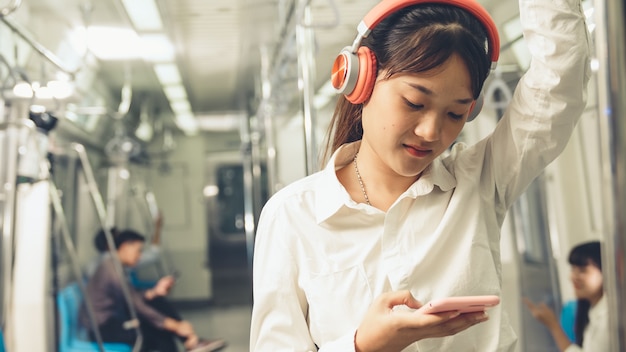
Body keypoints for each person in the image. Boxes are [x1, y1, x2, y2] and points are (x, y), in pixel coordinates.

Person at [249, 0, 591, 350]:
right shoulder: (293, 216)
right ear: (360, 81)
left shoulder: (479, 180)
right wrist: (362, 345)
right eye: (414, 102)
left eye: (455, 114)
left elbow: (559, 82)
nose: (431, 131)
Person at [80, 229, 226, 352]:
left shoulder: (114, 265)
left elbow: (132, 297)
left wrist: (154, 292)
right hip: (103, 328)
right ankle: (190, 340)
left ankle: (191, 342)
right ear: (125, 247)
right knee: (156, 332)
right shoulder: (112, 270)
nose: (140, 256)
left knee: (157, 302)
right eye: (138, 251)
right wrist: (174, 326)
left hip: (115, 319)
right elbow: (136, 305)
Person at [524, 241, 609, 352]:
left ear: (606, 271)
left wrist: (553, 325)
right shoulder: (593, 311)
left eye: (583, 270)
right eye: (573, 269)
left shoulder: (607, 319)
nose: (573, 277)